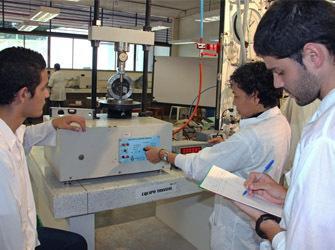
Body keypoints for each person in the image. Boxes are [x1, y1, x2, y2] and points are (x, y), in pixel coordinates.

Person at [145, 61, 291, 250]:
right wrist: (229, 149)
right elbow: (253, 155)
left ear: (255, 96)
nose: (234, 103)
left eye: (237, 97)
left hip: (236, 227)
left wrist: (163, 155)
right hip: (259, 212)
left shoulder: (250, 137)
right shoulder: (280, 123)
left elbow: (198, 167)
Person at [234, 0, 335, 249]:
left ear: (314, 55)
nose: (278, 84)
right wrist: (289, 198)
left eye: (280, 71)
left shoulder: (324, 138)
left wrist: (265, 222)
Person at [0, 47, 87, 250]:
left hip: (27, 234)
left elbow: (25, 136)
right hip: (18, 243)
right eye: (43, 88)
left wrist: (55, 123)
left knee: (77, 243)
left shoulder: (10, 131)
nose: (47, 94)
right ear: (23, 94)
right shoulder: (2, 159)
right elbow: (9, 234)